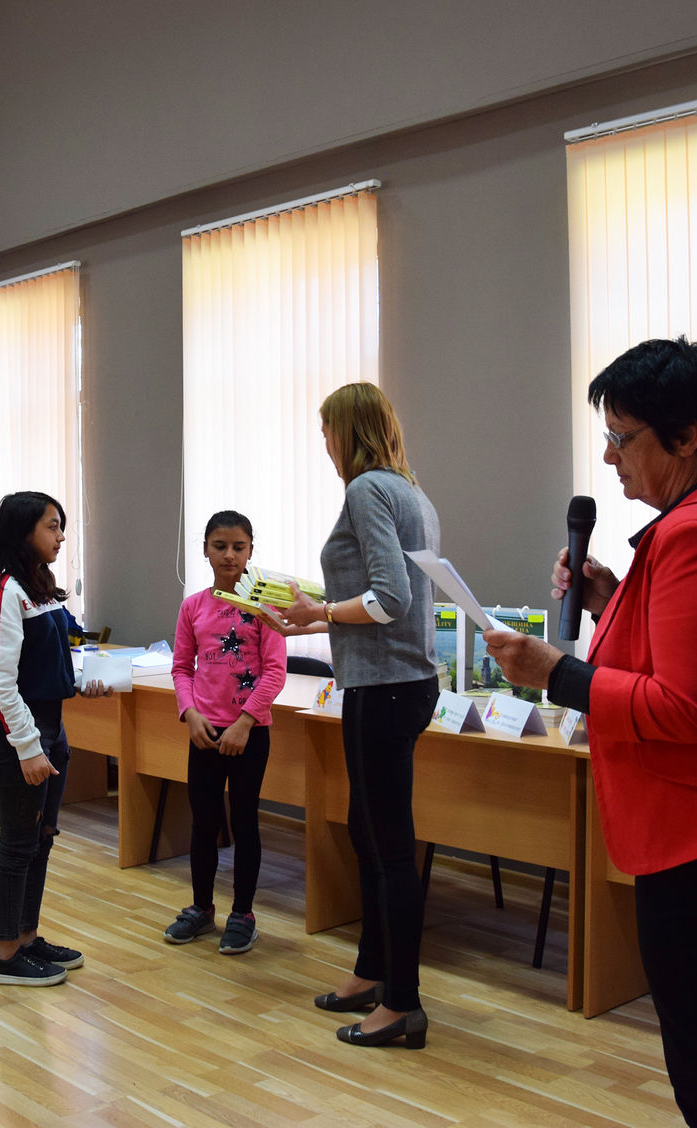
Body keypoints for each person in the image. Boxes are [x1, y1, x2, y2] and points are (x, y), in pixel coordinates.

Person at [484, 337, 697, 1126]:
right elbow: (687, 650)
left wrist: (555, 673)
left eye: (622, 437)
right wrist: (612, 598)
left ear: (687, 435)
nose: (609, 457)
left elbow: (684, 708)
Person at [279, 382, 441, 1049]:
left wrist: (319, 611)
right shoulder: (410, 492)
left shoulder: (367, 489)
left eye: (327, 431)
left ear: (349, 431)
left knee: (389, 847)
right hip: (398, 682)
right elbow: (380, 598)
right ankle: (372, 972)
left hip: (385, 687)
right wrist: (316, 612)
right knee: (369, 836)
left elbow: (390, 599)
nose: (324, 444)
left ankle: (402, 1003)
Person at [0, 492, 112, 986]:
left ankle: (27, 938)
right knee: (17, 845)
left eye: (61, 526)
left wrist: (79, 681)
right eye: (52, 526)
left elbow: (47, 659)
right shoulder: (4, 591)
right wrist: (28, 747)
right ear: (23, 530)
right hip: (20, 737)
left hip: (51, 729)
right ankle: (5, 955)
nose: (61, 536)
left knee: (41, 839)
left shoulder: (40, 588)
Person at [164, 511, 287, 955]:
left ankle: (243, 914)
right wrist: (190, 712)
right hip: (205, 733)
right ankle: (201, 907)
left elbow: (275, 672)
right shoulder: (193, 606)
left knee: (245, 821)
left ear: (251, 551)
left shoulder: (265, 608)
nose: (229, 555)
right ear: (205, 550)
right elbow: (182, 667)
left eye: (239, 547)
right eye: (220, 546)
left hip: (248, 734)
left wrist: (245, 722)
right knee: (204, 822)